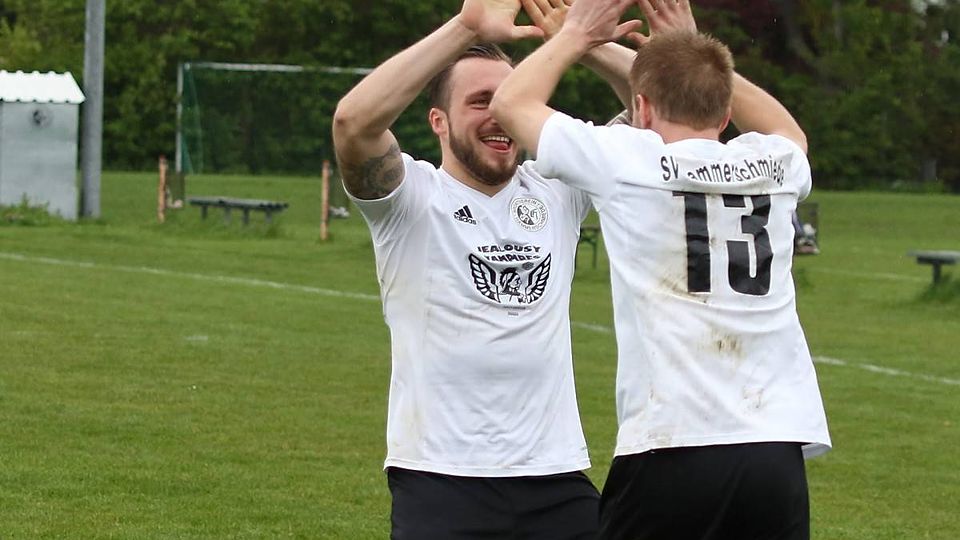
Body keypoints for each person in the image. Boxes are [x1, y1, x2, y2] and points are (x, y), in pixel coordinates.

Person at [490, 1, 832, 539]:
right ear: (725, 113)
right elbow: (789, 131)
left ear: (642, 108)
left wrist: (578, 37)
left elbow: (511, 103)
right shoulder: (774, 163)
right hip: (774, 446)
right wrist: (691, 56)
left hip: (673, 442)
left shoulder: (629, 158)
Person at [332, 0, 642, 537]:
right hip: (440, 479)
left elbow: (657, 109)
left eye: (508, 99)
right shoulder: (411, 198)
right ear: (438, 120)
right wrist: (465, 26)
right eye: (480, 102)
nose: (498, 116)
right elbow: (352, 124)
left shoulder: (558, 188)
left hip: (554, 476)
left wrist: (582, 41)